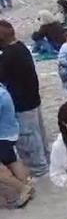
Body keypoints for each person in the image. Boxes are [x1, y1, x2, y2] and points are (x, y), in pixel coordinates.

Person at [0, 20, 50, 176]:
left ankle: (39, 171)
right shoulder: (21, 47)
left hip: (22, 104)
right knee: (38, 137)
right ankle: (45, 164)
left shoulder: (9, 55)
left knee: (28, 141)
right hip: (33, 99)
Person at [0, 82, 34, 209]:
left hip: (2, 136)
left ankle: (22, 188)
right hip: (11, 133)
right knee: (12, 160)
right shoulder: (3, 89)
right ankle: (27, 186)